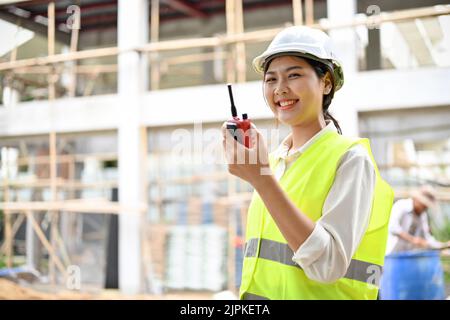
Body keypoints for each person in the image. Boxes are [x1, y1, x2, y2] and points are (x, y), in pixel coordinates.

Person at [221, 26, 394, 300]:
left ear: (326, 83)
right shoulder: (274, 159)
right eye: (271, 79)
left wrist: (261, 179)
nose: (280, 89)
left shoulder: (350, 159)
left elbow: (328, 265)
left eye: (294, 75)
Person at [386, 185, 450, 255]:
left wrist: (443, 245)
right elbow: (392, 227)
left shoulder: (422, 215)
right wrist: (413, 240)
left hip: (407, 256)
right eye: (424, 205)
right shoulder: (401, 206)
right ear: (417, 200)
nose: (425, 208)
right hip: (391, 255)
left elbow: (426, 237)